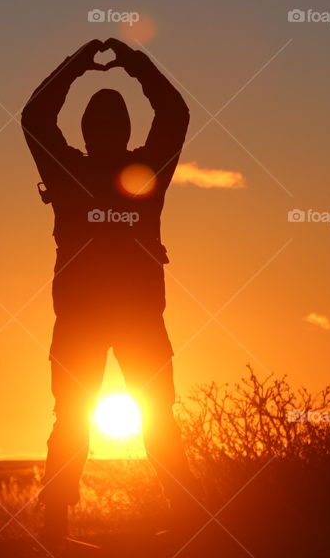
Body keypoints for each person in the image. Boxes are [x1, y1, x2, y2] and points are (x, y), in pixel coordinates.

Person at [21, 38, 201, 540]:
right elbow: (174, 112)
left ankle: (58, 526)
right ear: (124, 131)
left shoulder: (69, 173)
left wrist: (80, 64)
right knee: (148, 418)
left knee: (78, 419)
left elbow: (35, 117)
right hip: (126, 319)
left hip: (98, 319)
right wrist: (131, 63)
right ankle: (182, 521)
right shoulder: (140, 174)